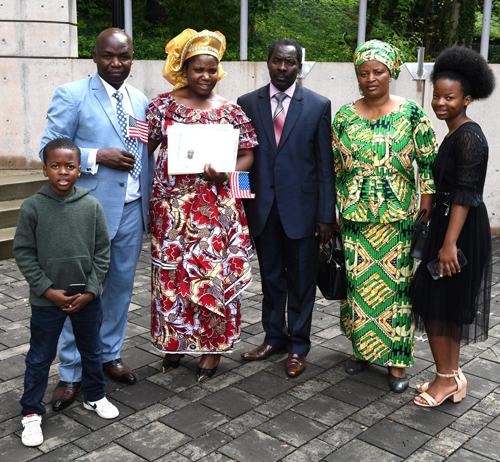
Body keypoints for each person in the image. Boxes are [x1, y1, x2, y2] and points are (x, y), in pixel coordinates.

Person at [39, 28, 154, 411]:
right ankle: (71, 373)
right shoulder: (71, 94)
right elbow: (49, 147)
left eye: (123, 57)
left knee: (120, 290)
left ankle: (108, 357)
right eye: (108, 56)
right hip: (86, 212)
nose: (116, 63)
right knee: (81, 292)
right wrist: (93, 156)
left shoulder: (140, 100)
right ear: (95, 56)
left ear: (133, 57)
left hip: (132, 210)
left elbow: (144, 152)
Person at [147, 29, 257, 382]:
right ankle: (175, 341)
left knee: (210, 278)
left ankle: (211, 349)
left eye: (212, 70)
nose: (205, 77)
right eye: (198, 70)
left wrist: (228, 175)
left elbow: (248, 154)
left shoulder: (230, 111)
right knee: (173, 278)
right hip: (171, 212)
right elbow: (143, 151)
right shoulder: (161, 106)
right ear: (184, 69)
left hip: (215, 211)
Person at [332, 40, 438, 392]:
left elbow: (429, 162)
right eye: (364, 73)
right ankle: (362, 350)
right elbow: (335, 167)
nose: (370, 78)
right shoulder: (344, 116)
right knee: (358, 289)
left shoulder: (411, 114)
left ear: (391, 72)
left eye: (378, 71)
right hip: (355, 220)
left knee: (397, 291)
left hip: (398, 220)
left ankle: (396, 362)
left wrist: (426, 203)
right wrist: (335, 208)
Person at [237, 39, 336, 377]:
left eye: (290, 63)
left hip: (303, 212)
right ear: (268, 62)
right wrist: (242, 206)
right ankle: (273, 337)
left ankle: (298, 345)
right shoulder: (247, 103)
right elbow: (242, 161)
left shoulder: (319, 105)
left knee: (302, 281)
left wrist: (326, 215)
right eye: (277, 61)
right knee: (270, 277)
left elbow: (325, 166)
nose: (283, 68)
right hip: (262, 210)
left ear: (299, 67)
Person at [13, 139, 119, 447]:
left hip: (86, 298)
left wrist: (91, 290)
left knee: (92, 350)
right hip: (47, 300)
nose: (63, 172)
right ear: (45, 169)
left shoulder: (91, 205)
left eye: (70, 166)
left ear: (79, 170)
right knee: (40, 357)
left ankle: (95, 395)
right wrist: (47, 290)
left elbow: (102, 251)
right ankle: (31, 412)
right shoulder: (33, 206)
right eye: (56, 166)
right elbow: (24, 252)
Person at [412, 46, 495, 407]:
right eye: (437, 96)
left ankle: (446, 379)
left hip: (457, 230)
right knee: (441, 304)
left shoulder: (469, 136)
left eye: (450, 97)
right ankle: (449, 376)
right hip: (448, 225)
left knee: (434, 303)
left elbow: (463, 194)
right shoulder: (455, 132)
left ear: (467, 99)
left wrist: (448, 244)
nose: (440, 103)